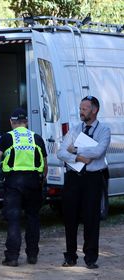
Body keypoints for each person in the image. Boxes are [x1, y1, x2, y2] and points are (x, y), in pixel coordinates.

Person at [0, 108, 47, 267]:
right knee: (33, 218)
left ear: (11, 122)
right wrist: (41, 182)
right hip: (33, 181)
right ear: (26, 122)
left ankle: (12, 257)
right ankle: (32, 255)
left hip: (13, 183)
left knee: (14, 220)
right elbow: (45, 165)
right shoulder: (37, 138)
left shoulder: (7, 138)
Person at [57, 96, 110, 269]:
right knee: (70, 218)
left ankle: (91, 257)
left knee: (91, 218)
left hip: (93, 179)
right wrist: (77, 157)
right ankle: (70, 256)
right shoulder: (74, 130)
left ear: (94, 110)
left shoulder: (104, 130)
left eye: (85, 108)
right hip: (73, 177)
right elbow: (61, 153)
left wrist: (77, 149)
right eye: (80, 108)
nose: (81, 111)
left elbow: (99, 151)